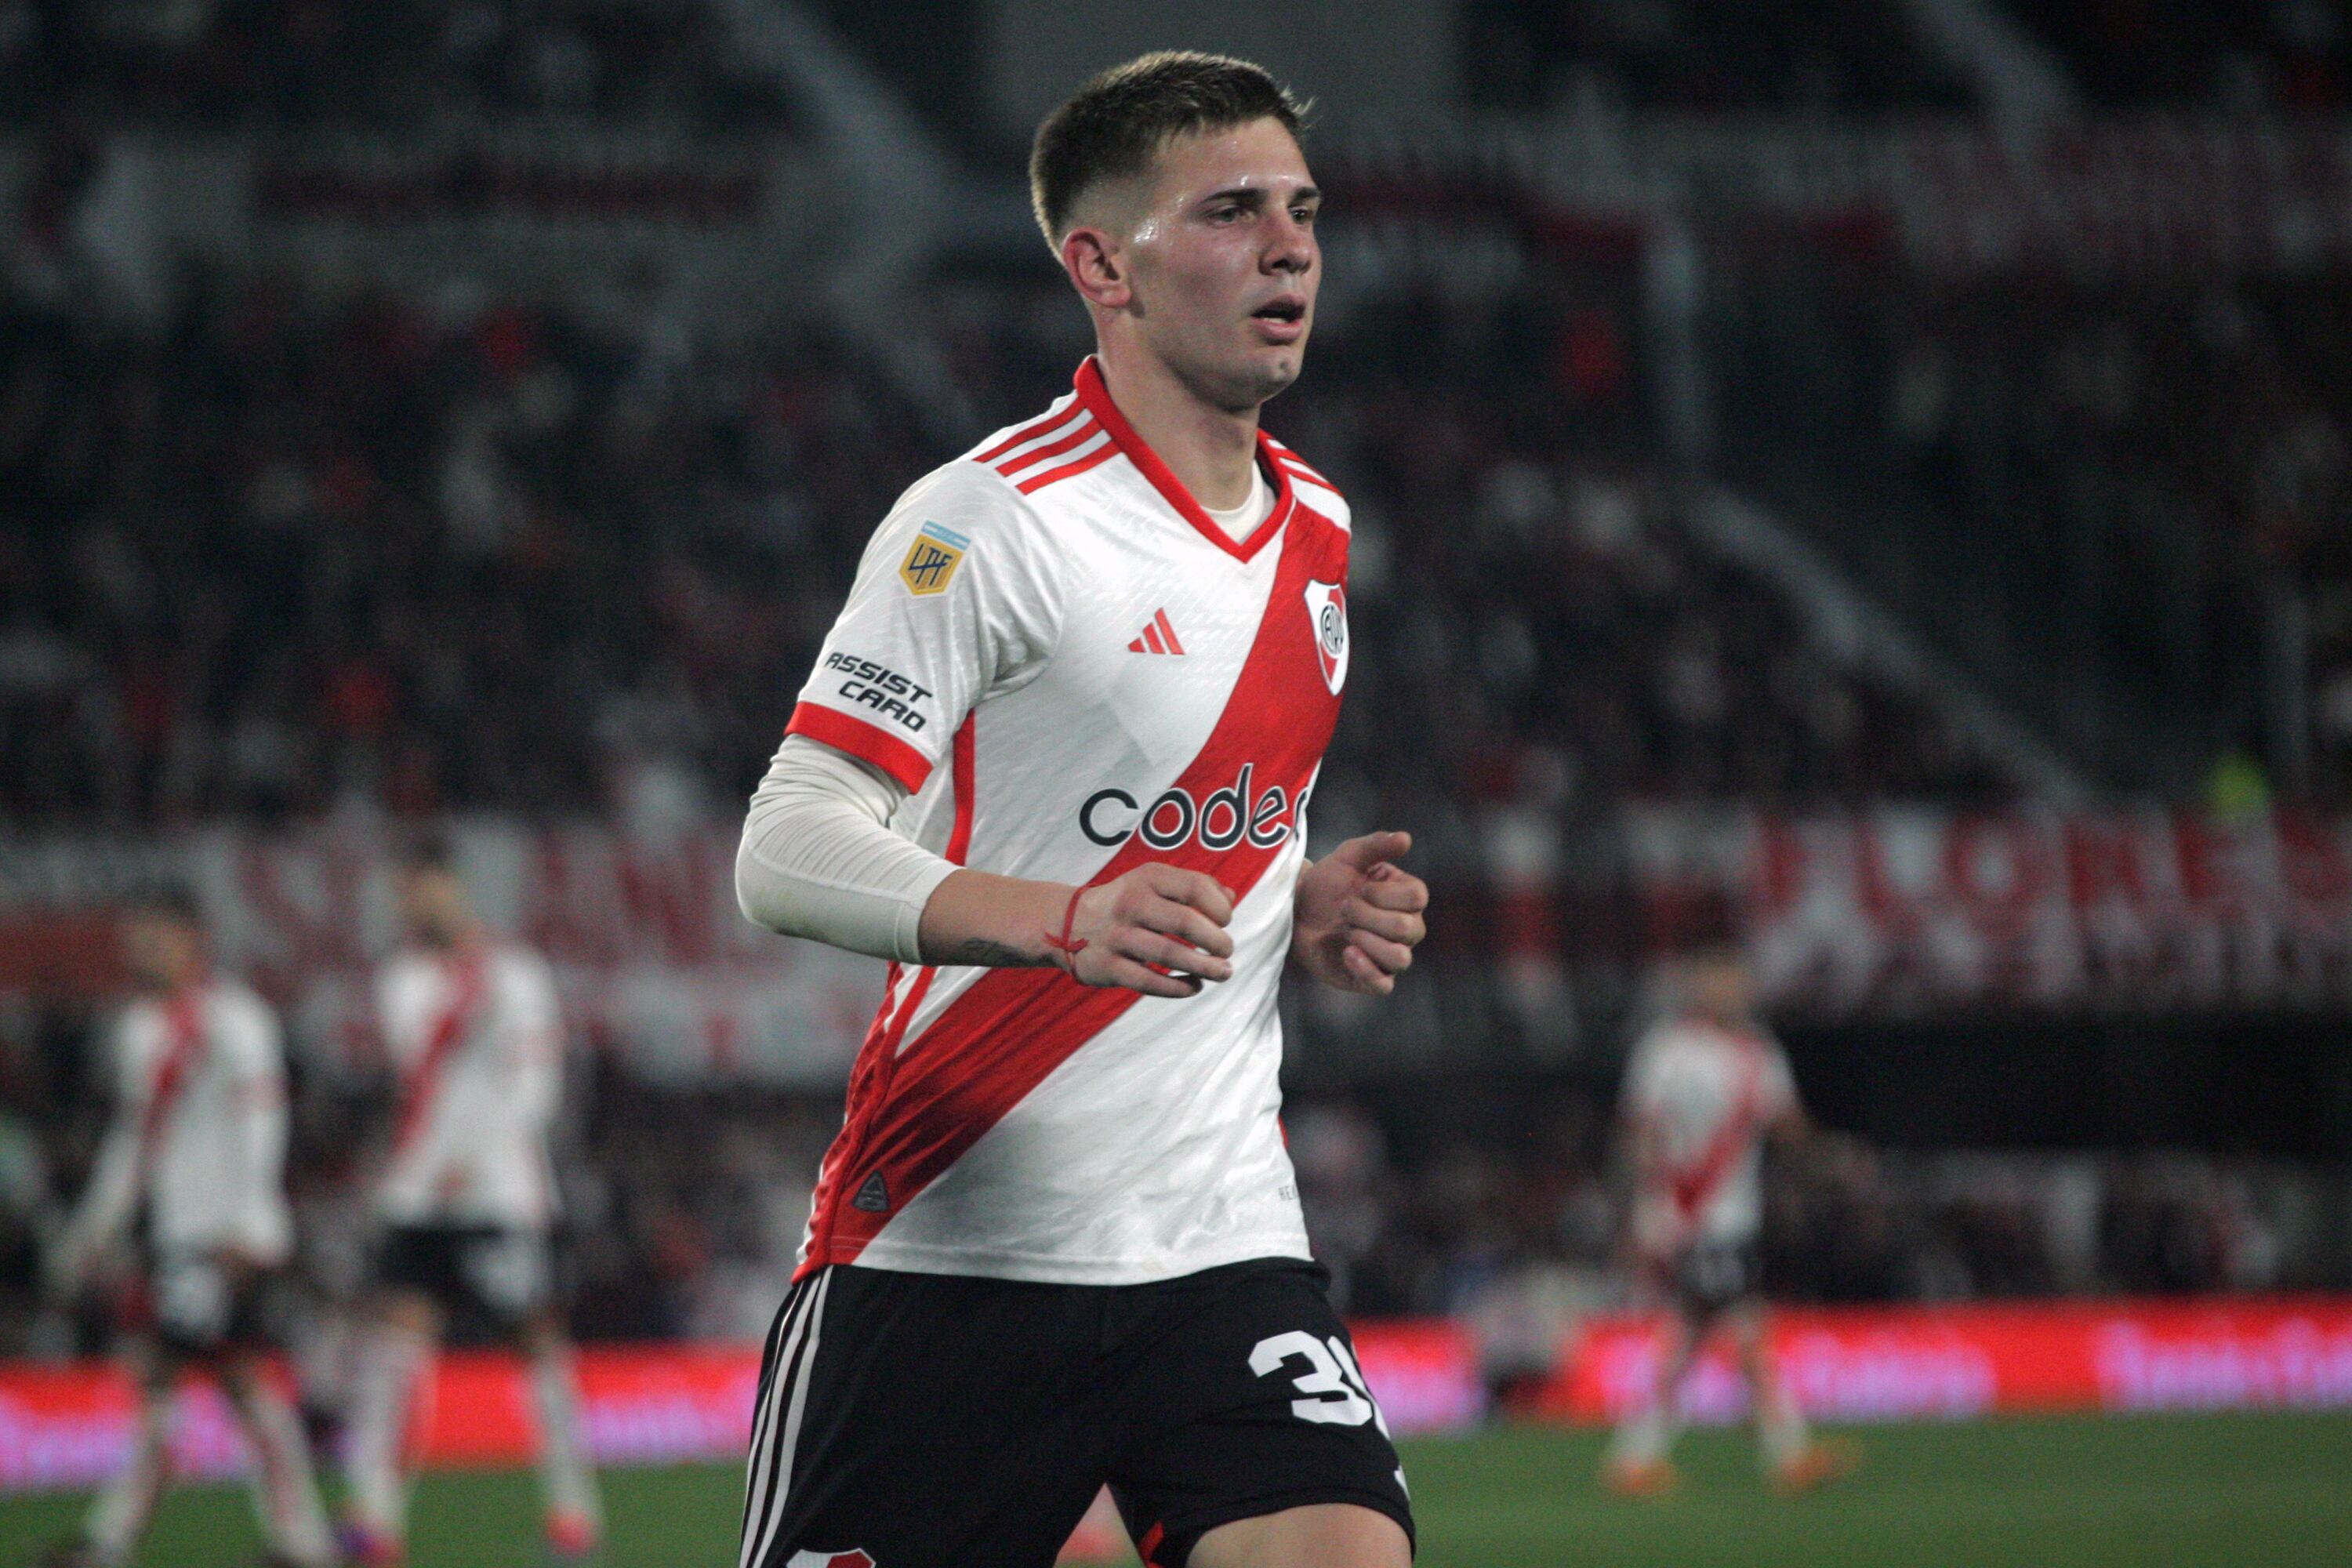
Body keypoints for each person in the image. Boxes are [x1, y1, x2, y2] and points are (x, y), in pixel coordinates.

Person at [731, 50, 1428, 1568]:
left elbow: (1193, 801)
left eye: (1301, 209)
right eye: (1233, 211)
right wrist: (1060, 920)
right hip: (952, 1244)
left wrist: (1286, 892)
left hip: (1220, 1239)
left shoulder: (1318, 525)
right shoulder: (989, 519)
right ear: (1101, 263)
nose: (1293, 244)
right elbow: (785, 842)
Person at [42, 887, 335, 1568]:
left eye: (156, 936)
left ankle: (110, 1541)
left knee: (164, 1375)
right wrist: (99, 1224)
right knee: (238, 1382)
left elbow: (265, 1120)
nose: (142, 949)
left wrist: (254, 1223)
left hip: (227, 1237)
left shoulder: (236, 1019)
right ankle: (303, 1542)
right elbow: (133, 1138)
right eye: (136, 936)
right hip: (174, 1235)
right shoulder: (139, 1030)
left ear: (192, 940)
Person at [338, 837, 601, 1566]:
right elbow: (420, 1070)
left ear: (456, 890)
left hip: (501, 1196)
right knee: (395, 1354)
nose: (416, 905)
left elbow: (535, 1082)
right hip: (419, 1195)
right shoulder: (403, 980)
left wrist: (481, 1160)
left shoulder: (518, 974)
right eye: (406, 894)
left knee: (536, 1346)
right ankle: (376, 1522)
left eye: (426, 889)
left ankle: (574, 1516)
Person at [1601, 941, 1854, 1496]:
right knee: (1742, 1331)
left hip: (1734, 1218)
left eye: (1735, 979)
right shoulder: (1666, 1049)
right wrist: (1643, 1213)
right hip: (1689, 1215)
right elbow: (1639, 1133)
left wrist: (1826, 1154)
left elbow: (1787, 1124)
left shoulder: (1758, 1052)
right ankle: (1788, 1453)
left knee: (1693, 1334)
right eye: (1717, 979)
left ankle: (1635, 1458)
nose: (1729, 989)